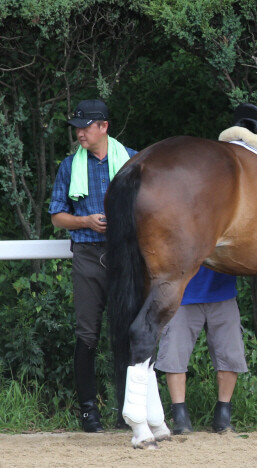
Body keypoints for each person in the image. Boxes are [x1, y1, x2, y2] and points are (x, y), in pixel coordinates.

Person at [49, 99, 136, 432]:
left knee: (127, 332)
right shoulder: (71, 165)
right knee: (87, 334)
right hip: (87, 255)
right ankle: (88, 411)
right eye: (77, 128)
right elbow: (57, 217)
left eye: (86, 127)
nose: (80, 134)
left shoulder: (131, 159)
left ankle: (128, 411)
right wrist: (85, 220)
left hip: (125, 254)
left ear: (104, 127)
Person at [154, 266, 248, 434]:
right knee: (174, 355)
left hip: (223, 291)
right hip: (181, 293)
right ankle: (180, 416)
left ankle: (223, 416)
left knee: (230, 354)